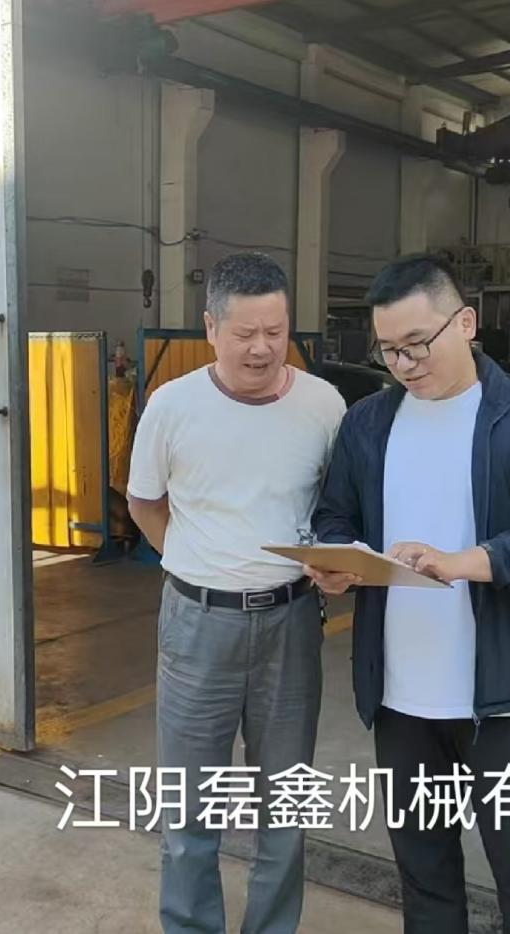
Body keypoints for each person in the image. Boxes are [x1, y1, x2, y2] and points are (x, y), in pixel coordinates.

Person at [307, 254, 510, 934]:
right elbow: (335, 515)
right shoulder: (368, 423)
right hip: (402, 699)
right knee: (425, 880)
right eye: (388, 350)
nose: (404, 364)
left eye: (417, 343)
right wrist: (336, 561)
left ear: (464, 323)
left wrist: (462, 562)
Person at [127, 252, 347, 934]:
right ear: (210, 328)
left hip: (291, 624)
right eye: (245, 333)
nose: (261, 348)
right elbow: (144, 503)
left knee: (286, 805)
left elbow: (337, 509)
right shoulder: (172, 406)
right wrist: (200, 564)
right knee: (190, 809)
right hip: (197, 625)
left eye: (275, 332)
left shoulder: (323, 404)